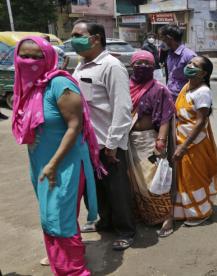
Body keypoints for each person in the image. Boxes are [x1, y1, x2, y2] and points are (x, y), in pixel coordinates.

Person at [12, 36, 103, 275]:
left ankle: (72, 269)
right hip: (42, 163)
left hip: (64, 163)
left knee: (58, 216)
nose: (28, 61)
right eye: (24, 55)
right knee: (50, 213)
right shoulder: (31, 86)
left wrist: (53, 164)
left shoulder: (60, 85)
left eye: (36, 56)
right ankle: (59, 256)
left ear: (48, 57)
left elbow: (75, 126)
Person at [70, 20, 136, 251]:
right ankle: (105, 222)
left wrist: (113, 142)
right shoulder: (81, 66)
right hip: (87, 142)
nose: (72, 39)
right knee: (95, 189)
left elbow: (122, 107)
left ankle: (126, 230)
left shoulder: (111, 66)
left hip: (108, 143)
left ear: (95, 38)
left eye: (77, 34)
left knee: (117, 189)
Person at [126, 50, 176, 237]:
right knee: (136, 182)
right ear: (131, 65)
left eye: (148, 63)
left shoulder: (159, 88)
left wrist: (161, 140)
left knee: (155, 179)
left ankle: (167, 217)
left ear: (154, 66)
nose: (143, 67)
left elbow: (165, 117)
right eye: (139, 63)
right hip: (129, 140)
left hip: (150, 140)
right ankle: (147, 215)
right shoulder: (125, 87)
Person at [173, 56, 217, 226]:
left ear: (204, 73)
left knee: (194, 178)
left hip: (194, 143)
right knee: (184, 177)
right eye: (189, 63)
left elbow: (200, 122)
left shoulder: (203, 92)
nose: (190, 66)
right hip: (181, 137)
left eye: (195, 65)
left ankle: (200, 212)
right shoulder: (187, 87)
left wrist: (184, 146)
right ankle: (185, 210)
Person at [159, 24, 197, 100]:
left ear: (169, 38)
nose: (162, 43)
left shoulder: (189, 56)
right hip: (170, 98)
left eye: (163, 39)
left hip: (184, 99)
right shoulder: (170, 54)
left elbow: (196, 81)